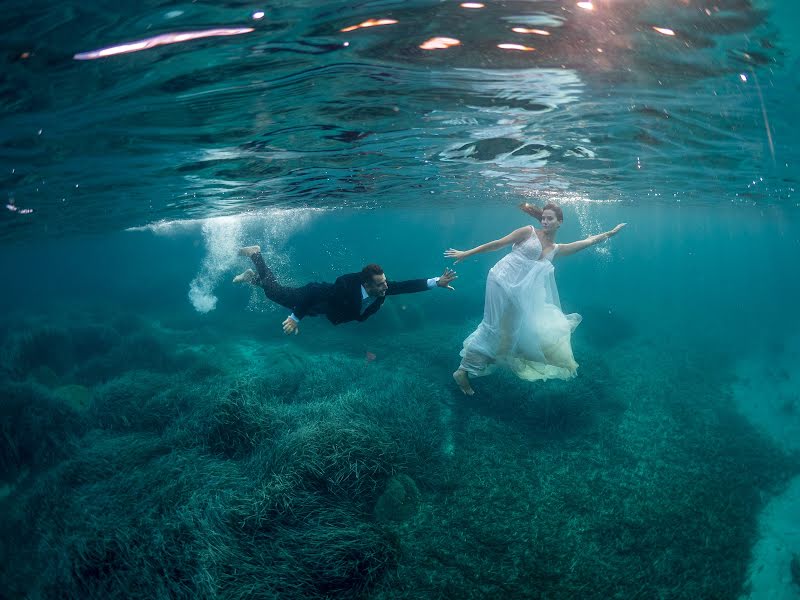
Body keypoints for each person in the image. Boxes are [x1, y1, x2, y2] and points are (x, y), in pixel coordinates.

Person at [445, 202, 626, 395]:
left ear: (560, 222)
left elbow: (588, 242)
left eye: (550, 218)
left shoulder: (557, 248)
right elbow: (497, 244)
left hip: (520, 292)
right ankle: (463, 370)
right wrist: (467, 253)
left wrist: (610, 233)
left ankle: (477, 364)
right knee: (493, 325)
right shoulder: (528, 231)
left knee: (512, 331)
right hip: (500, 281)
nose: (545, 221)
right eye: (544, 218)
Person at [233, 245, 458, 335]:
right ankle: (255, 254)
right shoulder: (345, 287)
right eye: (380, 284)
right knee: (274, 292)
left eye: (385, 282)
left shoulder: (382, 288)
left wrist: (436, 281)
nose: (386, 287)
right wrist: (295, 317)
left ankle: (252, 278)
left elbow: (407, 286)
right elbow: (311, 293)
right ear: (366, 284)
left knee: (271, 290)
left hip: (322, 310)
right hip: (311, 297)